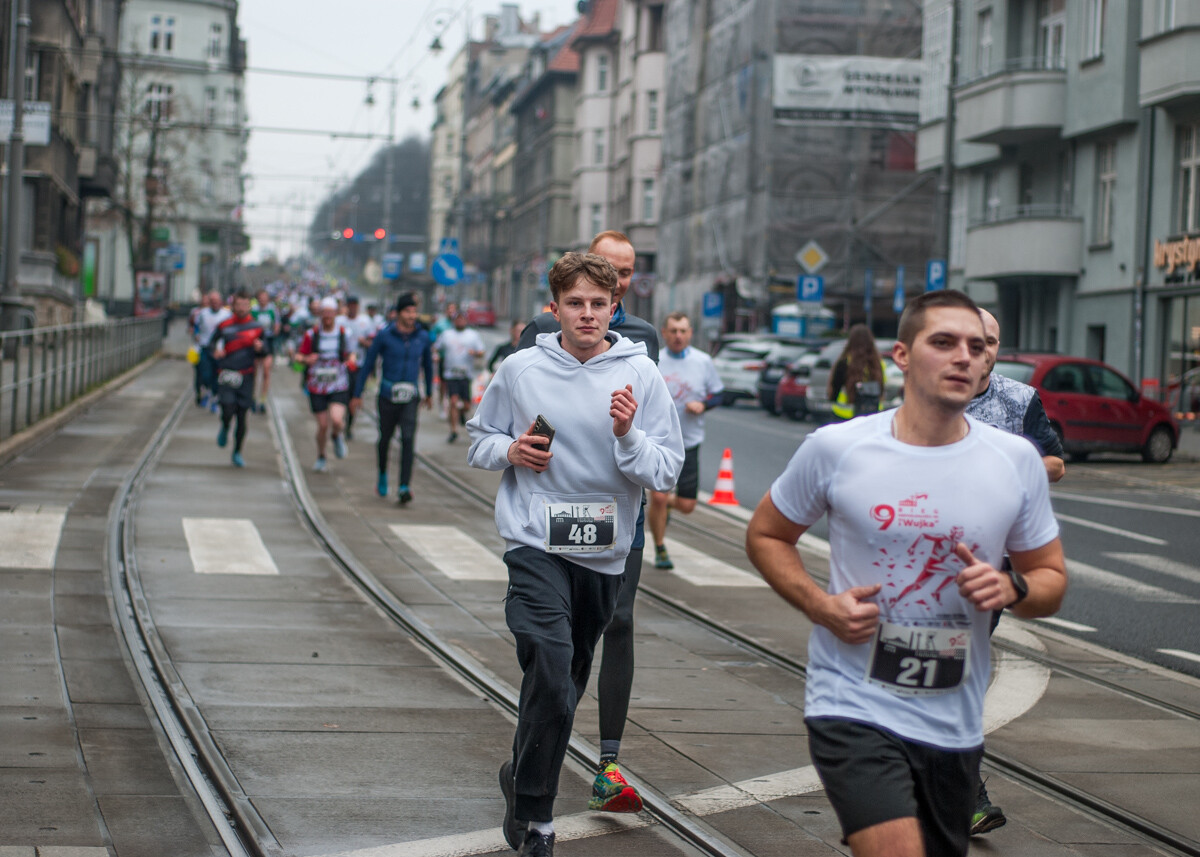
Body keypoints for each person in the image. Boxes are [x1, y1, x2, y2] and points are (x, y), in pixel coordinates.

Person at [745, 289, 1067, 857]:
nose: (963, 356)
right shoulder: (838, 449)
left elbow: (1050, 580)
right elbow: (767, 534)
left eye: (976, 346)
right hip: (853, 704)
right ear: (901, 355)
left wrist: (1012, 587)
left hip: (954, 721)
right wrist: (821, 606)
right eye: (943, 342)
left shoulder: (1017, 461)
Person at [468, 252, 682, 857]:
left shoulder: (641, 375)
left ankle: (520, 775)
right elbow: (479, 440)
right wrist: (511, 451)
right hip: (534, 542)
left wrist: (628, 436)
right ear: (554, 308)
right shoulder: (521, 369)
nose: (587, 314)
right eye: (575, 303)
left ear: (614, 308)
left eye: (598, 304)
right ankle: (538, 819)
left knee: (562, 686)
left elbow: (666, 470)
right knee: (550, 660)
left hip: (603, 554)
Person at [517, 230, 660, 814]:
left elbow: (655, 428)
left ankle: (608, 759)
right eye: (607, 268)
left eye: (623, 274)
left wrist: (633, 444)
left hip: (620, 512)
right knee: (555, 649)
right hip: (551, 514)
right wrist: (525, 451)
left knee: (616, 622)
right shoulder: (538, 336)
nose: (616, 282)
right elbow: (524, 413)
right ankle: (537, 758)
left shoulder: (643, 341)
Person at [961, 307, 1066, 836]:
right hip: (921, 566)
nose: (982, 351)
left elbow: (1056, 463)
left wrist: (1006, 466)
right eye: (972, 340)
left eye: (991, 341)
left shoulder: (1019, 400)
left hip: (991, 568)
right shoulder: (925, 397)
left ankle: (961, 794)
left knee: (958, 675)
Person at [648, 312, 725, 570]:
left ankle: (667, 506)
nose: (678, 336)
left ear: (690, 333)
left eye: (683, 331)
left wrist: (703, 405)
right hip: (660, 441)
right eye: (673, 331)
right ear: (664, 333)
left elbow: (719, 394)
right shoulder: (654, 360)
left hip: (689, 441)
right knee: (659, 497)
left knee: (687, 505)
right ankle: (660, 549)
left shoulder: (703, 362)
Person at [353, 293, 434, 504]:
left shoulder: (422, 336)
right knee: (385, 438)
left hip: (410, 397)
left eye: (414, 311)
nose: (412, 316)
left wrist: (429, 393)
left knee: (408, 439)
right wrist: (357, 394)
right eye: (408, 311)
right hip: (387, 396)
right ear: (398, 313)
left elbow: (428, 365)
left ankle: (404, 486)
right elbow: (368, 364)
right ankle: (382, 474)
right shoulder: (385, 335)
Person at [297, 297, 356, 472]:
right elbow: (298, 356)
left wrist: (351, 361)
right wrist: (306, 359)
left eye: (331, 312)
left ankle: (337, 436)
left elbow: (352, 353)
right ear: (320, 314)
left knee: (337, 420)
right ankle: (321, 456)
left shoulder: (345, 333)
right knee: (322, 425)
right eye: (324, 312)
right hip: (317, 385)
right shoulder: (311, 334)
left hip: (338, 383)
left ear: (336, 313)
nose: (328, 316)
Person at [209, 291, 265, 468]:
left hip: (246, 375)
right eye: (238, 305)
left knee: (242, 416)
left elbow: (266, 350)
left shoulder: (257, 327)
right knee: (227, 408)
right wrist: (215, 351)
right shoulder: (224, 325)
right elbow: (211, 343)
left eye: (244, 305)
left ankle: (237, 452)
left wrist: (260, 348)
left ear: (249, 306)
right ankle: (225, 425)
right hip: (227, 373)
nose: (241, 308)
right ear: (233, 306)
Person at [434, 312, 485, 443]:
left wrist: (475, 353)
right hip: (450, 374)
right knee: (453, 401)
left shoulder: (472, 335)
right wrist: (436, 356)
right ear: (454, 321)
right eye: (457, 320)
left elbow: (481, 352)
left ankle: (461, 413)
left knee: (467, 405)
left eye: (462, 319)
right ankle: (453, 431)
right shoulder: (447, 334)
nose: (460, 322)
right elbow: (436, 348)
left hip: (466, 374)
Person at [828, 324, 887, 420]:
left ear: (850, 341)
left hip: (845, 414)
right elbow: (882, 387)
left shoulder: (844, 362)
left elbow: (835, 387)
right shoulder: (879, 364)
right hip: (872, 415)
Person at [340, 295, 377, 440]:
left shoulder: (365, 322)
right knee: (342, 396)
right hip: (342, 366)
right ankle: (340, 421)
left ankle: (349, 426)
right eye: (350, 305)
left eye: (355, 305)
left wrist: (364, 343)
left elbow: (373, 344)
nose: (353, 307)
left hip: (358, 366)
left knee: (354, 396)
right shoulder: (340, 322)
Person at [194, 290, 230, 412]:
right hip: (205, 348)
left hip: (220, 350)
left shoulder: (226, 314)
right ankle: (208, 392)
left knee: (218, 375)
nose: (214, 303)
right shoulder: (202, 313)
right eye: (212, 301)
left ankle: (215, 397)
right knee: (205, 374)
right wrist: (196, 335)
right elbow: (196, 327)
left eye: (216, 301)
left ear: (220, 301)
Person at [251, 289, 279, 413]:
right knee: (254, 372)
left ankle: (263, 400)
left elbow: (277, 325)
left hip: (268, 341)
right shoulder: (253, 310)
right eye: (260, 298)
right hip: (256, 341)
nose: (263, 300)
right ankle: (253, 397)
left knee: (266, 372)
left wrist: (274, 333)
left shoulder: (272, 310)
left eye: (265, 298)